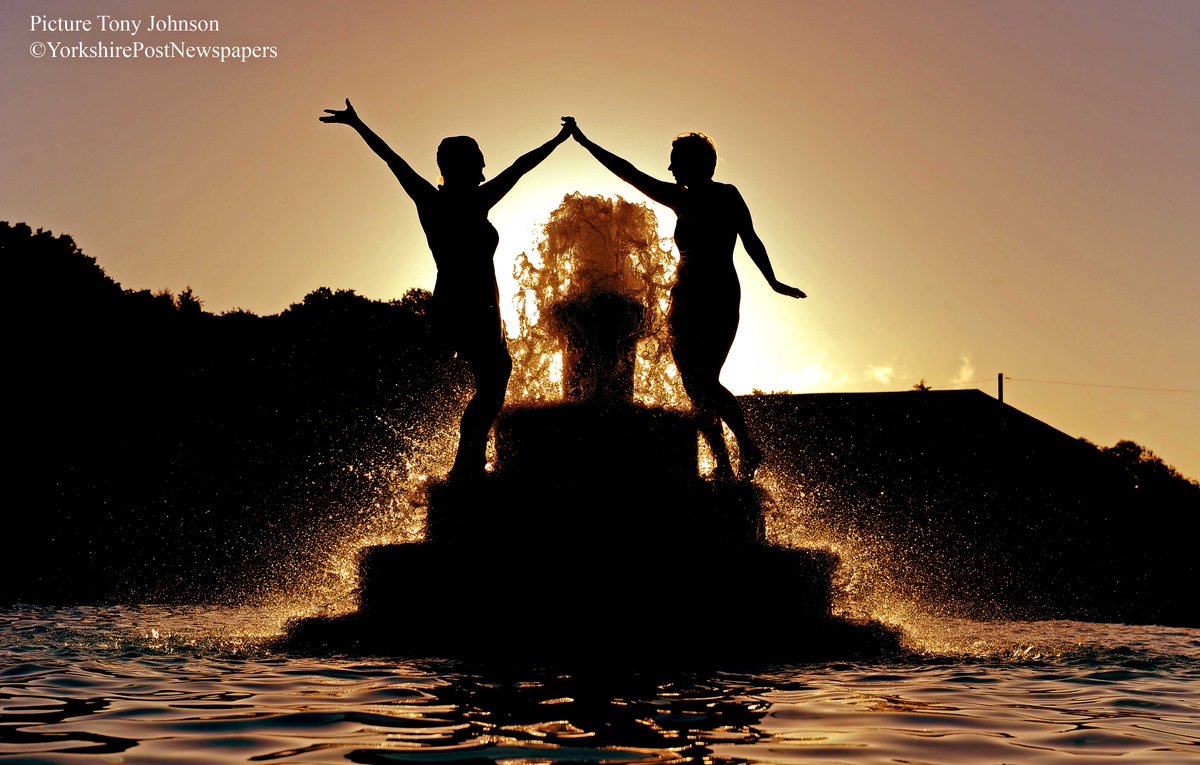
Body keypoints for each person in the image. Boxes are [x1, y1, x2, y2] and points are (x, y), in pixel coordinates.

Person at [321, 99, 574, 479]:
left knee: (493, 378)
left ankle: (469, 459)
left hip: (468, 301)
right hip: (471, 303)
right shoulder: (461, 201)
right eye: (479, 161)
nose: (486, 168)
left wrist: (358, 125)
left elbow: (394, 160)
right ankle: (466, 462)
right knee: (493, 379)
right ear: (467, 166)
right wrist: (559, 139)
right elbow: (519, 166)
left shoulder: (441, 201)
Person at [570, 124, 805, 480]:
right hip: (696, 293)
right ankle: (724, 461)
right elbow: (629, 173)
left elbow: (750, 239)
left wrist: (773, 281)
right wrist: (587, 142)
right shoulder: (703, 197)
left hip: (713, 293)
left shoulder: (709, 197)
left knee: (704, 380)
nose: (670, 170)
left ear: (696, 164)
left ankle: (744, 447)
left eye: (675, 162)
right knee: (695, 384)